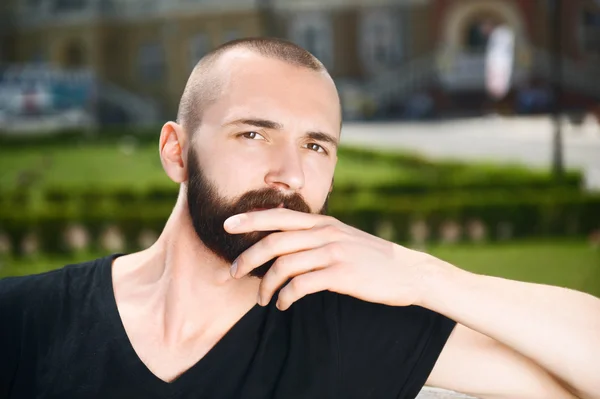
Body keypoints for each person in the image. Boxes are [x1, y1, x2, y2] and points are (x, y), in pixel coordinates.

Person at [1, 38, 599, 399]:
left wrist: (421, 275)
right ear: (175, 150)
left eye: (316, 146)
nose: (288, 173)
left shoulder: (350, 331)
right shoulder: (29, 319)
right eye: (254, 132)